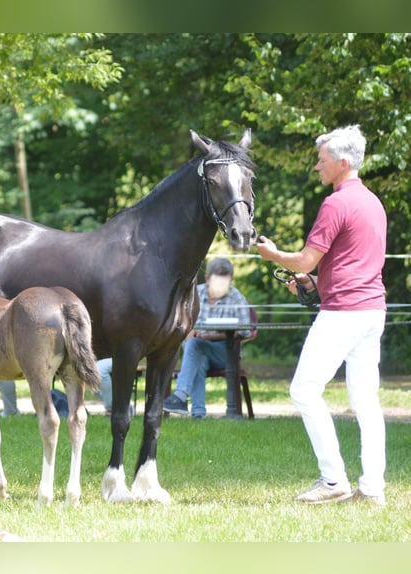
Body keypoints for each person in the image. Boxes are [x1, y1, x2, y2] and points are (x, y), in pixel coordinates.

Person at [256, 125, 387, 506]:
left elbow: (305, 258)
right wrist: (314, 282)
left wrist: (275, 255)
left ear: (342, 163)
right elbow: (351, 262)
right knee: (367, 402)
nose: (317, 166)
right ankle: (372, 489)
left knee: (303, 389)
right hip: (371, 309)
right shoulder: (373, 202)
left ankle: (333, 481)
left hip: (343, 312)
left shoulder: (336, 203)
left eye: (322, 160)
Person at [162, 257, 251, 419]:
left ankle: (180, 396)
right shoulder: (194, 293)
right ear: (208, 278)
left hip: (225, 352)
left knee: (196, 345)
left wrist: (210, 336)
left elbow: (245, 330)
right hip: (197, 350)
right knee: (198, 353)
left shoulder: (236, 297)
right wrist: (187, 331)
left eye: (226, 281)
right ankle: (198, 414)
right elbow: (178, 321)